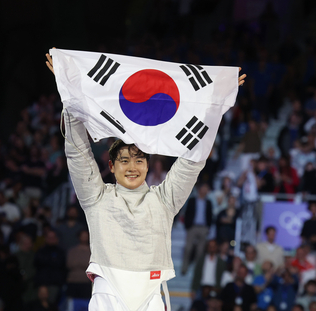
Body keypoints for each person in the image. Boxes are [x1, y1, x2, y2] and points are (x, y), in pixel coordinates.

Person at [45, 53, 245, 311]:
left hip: (151, 291)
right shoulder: (95, 197)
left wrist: (213, 104)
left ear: (148, 166)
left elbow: (193, 160)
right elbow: (78, 153)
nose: (132, 167)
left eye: (139, 160)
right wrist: (70, 94)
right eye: (125, 160)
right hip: (109, 289)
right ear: (111, 166)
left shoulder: (164, 199)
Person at [182, 183, 214, 275]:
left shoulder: (209, 202)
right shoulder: (192, 200)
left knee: (200, 251)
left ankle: (197, 270)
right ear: (199, 190)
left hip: (203, 228)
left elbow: (210, 216)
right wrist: (187, 226)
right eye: (204, 188)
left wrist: (208, 228)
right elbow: (187, 213)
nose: (205, 191)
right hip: (192, 227)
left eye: (206, 189)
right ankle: (185, 267)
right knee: (188, 248)